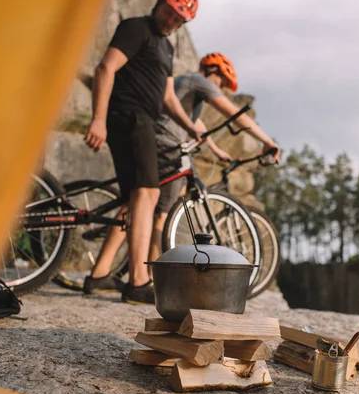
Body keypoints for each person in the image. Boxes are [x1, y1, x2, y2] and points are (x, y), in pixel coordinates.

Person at [84, 52, 282, 302]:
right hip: (164, 144)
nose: (219, 89)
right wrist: (267, 141)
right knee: (152, 210)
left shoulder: (187, 88)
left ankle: (113, 273)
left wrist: (218, 151)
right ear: (214, 72)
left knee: (147, 207)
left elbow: (196, 127)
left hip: (164, 143)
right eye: (221, 83)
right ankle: (142, 278)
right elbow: (232, 113)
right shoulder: (199, 81)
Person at [83, 0, 202, 304]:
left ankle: (101, 274)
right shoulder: (136, 28)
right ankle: (138, 281)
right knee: (148, 194)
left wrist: (191, 127)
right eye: (169, 13)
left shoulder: (167, 47)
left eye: (179, 20)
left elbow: (168, 97)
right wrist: (98, 118)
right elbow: (105, 69)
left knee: (136, 197)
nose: (171, 22)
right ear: (159, 4)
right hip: (131, 116)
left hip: (143, 118)